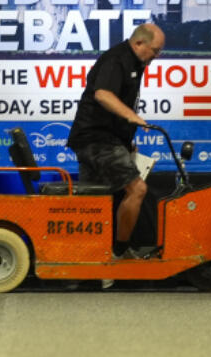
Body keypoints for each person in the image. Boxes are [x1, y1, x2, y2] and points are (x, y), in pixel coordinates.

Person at [66, 23, 165, 259]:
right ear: (139, 43)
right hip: (96, 139)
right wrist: (133, 117)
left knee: (95, 200)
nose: (157, 56)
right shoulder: (116, 59)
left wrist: (125, 140)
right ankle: (119, 252)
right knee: (137, 189)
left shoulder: (135, 63)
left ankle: (89, 257)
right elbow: (103, 94)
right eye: (155, 50)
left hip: (100, 139)